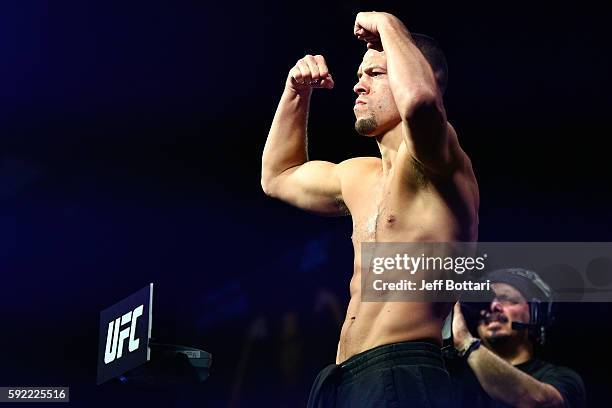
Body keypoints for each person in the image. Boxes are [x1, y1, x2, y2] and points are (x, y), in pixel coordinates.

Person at [261, 11, 479, 407]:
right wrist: (296, 91)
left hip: (406, 370)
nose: (358, 85)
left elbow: (421, 101)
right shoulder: (359, 176)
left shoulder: (441, 163)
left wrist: (388, 23)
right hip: (340, 379)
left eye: (375, 74)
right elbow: (278, 176)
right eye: (360, 75)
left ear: (412, 73)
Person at [449, 268, 586, 407]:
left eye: (507, 299)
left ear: (536, 313)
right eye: (484, 302)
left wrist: (466, 343)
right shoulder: (454, 377)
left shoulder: (563, 378)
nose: (493, 306)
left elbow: (540, 402)